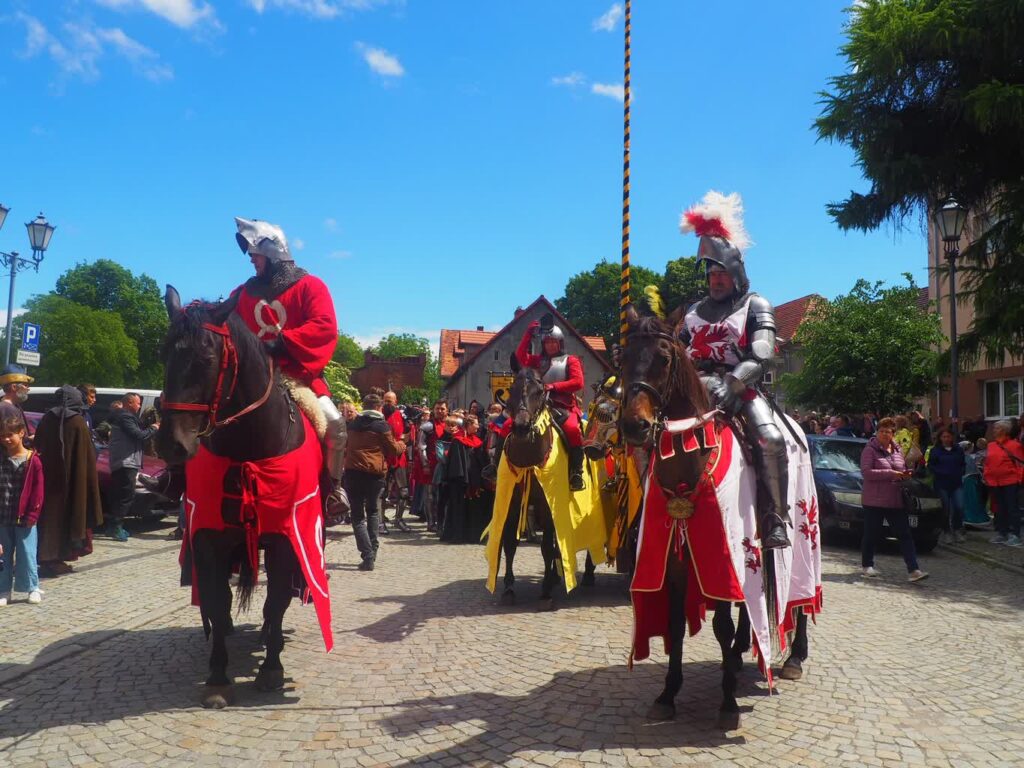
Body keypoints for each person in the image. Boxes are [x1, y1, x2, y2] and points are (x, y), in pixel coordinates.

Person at [677, 190, 791, 548]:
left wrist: (733, 383)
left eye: (722, 272)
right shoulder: (693, 312)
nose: (715, 279)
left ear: (737, 272)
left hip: (740, 391)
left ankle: (775, 520)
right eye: (711, 273)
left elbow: (762, 354)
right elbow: (677, 353)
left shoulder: (756, 304)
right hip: (693, 390)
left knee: (770, 440)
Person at [231, 217, 347, 516]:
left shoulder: (310, 286)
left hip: (297, 377)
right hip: (248, 379)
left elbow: (324, 326)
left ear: (271, 253)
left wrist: (282, 343)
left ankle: (333, 488)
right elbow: (225, 323)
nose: (252, 262)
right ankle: (178, 480)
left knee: (334, 424)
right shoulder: (242, 293)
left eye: (255, 255)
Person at [35, 385, 103, 577]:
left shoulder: (47, 419)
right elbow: (88, 457)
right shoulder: (78, 422)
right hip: (72, 483)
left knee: (49, 518)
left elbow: (39, 444)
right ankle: (53, 559)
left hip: (48, 481)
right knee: (65, 516)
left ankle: (50, 558)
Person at [514, 316, 587, 491]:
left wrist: (553, 386)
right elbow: (520, 358)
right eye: (547, 342)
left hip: (563, 407)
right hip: (539, 406)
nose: (550, 345)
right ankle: (498, 465)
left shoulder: (571, 360)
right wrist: (528, 335)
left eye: (554, 342)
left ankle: (576, 472)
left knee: (573, 430)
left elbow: (578, 382)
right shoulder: (538, 361)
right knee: (511, 424)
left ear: (560, 343)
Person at [860, 417, 929, 582]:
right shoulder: (869, 450)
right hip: (874, 500)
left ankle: (913, 570)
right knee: (872, 534)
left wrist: (906, 474)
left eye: (888, 431)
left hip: (895, 499)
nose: (885, 434)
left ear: (893, 433)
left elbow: (902, 468)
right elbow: (866, 472)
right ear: (877, 432)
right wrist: (891, 474)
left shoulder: (897, 450)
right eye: (882, 431)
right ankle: (867, 565)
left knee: (904, 534)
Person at [343, 392, 405, 570]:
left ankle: (367, 555)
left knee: (357, 517)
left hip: (353, 473)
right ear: (379, 408)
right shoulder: (381, 425)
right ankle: (372, 552)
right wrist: (403, 442)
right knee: (372, 512)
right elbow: (393, 449)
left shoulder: (352, 424)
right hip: (374, 475)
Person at [0, 414, 44, 606]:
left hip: (25, 516)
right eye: (2, 435)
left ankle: (32, 587)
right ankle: (3, 590)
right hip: (3, 514)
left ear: (21, 433)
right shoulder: (2, 459)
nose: (6, 439)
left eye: (10, 435)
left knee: (27, 554)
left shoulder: (32, 460)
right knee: (3, 555)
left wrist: (33, 514)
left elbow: (38, 491)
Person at [104, 392, 159, 542]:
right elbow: (139, 435)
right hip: (126, 461)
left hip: (124, 461)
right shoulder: (125, 417)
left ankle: (113, 526)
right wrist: (154, 428)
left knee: (120, 495)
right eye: (138, 403)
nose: (140, 406)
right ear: (129, 403)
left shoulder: (124, 417)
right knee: (125, 496)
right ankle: (116, 527)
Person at [983, 419, 1023, 547]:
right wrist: (987, 475)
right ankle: (1002, 532)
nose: (994, 431)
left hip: (1010, 481)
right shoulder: (991, 446)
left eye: (997, 428)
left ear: (1004, 431)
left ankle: (1016, 534)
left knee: (1012, 508)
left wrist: (1019, 478)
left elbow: (1020, 464)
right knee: (1000, 509)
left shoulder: (1015, 445)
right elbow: (988, 462)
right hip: (994, 482)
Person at [928, 427, 967, 543]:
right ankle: (946, 530)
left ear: (952, 438)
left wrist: (960, 472)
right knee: (945, 509)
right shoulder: (935, 451)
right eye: (944, 437)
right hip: (941, 483)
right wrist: (939, 472)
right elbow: (931, 465)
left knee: (959, 506)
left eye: (948, 436)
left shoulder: (958, 450)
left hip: (956, 482)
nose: (946, 439)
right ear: (940, 438)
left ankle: (957, 528)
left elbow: (962, 463)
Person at [380, 391, 409, 533]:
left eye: (390, 401)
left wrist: (403, 441)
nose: (387, 403)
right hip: (383, 458)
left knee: (404, 491)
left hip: (399, 457)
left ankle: (398, 519)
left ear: (396, 402)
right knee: (381, 492)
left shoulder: (401, 416)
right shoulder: (379, 415)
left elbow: (408, 434)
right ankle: (380, 521)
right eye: (385, 400)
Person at [0, 364, 32, 436]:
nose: (28, 389)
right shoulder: (7, 409)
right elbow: (13, 441)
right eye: (25, 385)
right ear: (14, 387)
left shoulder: (13, 406)